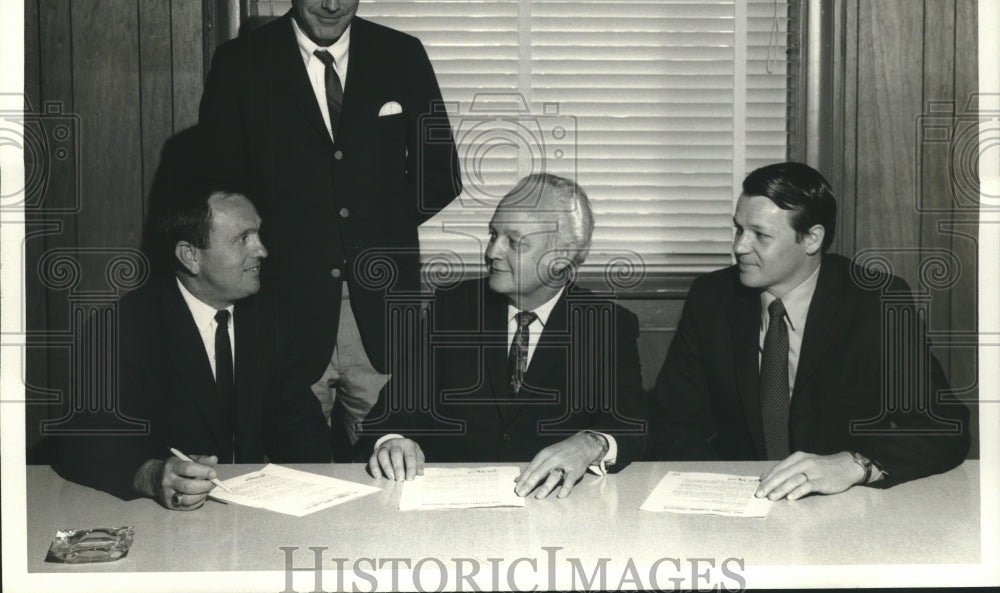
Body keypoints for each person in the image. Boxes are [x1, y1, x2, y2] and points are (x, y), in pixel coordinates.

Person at [197, 0, 462, 452]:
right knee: (284, 482)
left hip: (382, 318)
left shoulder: (402, 56)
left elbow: (441, 175)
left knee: (394, 478)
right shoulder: (239, 64)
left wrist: (366, 227)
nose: (333, 4)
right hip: (281, 315)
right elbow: (217, 191)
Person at [651, 162, 970, 500]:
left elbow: (943, 427)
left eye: (760, 235)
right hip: (739, 504)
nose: (740, 247)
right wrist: (732, 490)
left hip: (843, 509)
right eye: (738, 229)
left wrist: (854, 464)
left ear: (812, 239)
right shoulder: (711, 298)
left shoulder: (876, 302)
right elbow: (672, 423)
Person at [361, 174, 647, 499]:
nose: (492, 252)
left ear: (562, 256)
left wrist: (590, 444)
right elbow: (393, 410)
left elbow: (631, 422)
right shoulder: (452, 308)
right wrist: (392, 440)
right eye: (493, 234)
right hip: (450, 508)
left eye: (514, 241)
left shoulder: (608, 325)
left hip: (556, 508)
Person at [54, 182, 329, 508]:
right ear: (190, 256)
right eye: (243, 239)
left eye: (258, 234)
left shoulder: (272, 317)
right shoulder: (122, 327)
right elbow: (83, 441)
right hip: (157, 519)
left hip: (252, 514)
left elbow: (300, 427)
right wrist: (152, 475)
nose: (262, 250)